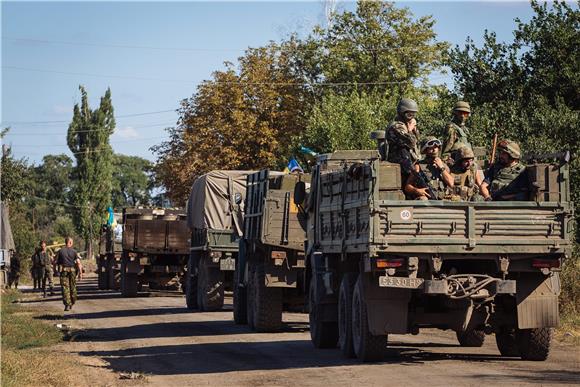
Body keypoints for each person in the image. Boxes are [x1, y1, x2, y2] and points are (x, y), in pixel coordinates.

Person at [386, 98, 421, 170]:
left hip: (408, 162)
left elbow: (418, 142)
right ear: (402, 113)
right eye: (409, 114)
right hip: (400, 164)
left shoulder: (406, 125)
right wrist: (410, 130)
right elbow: (411, 143)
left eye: (413, 114)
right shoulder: (397, 126)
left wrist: (414, 131)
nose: (411, 117)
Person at [56, 237, 83, 311]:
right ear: (70, 242)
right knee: (73, 287)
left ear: (65, 242)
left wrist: (56, 271)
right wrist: (80, 273)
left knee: (65, 288)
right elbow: (78, 263)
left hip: (64, 271)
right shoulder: (74, 252)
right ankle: (73, 301)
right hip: (72, 271)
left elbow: (55, 262)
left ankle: (67, 304)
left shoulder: (60, 251)